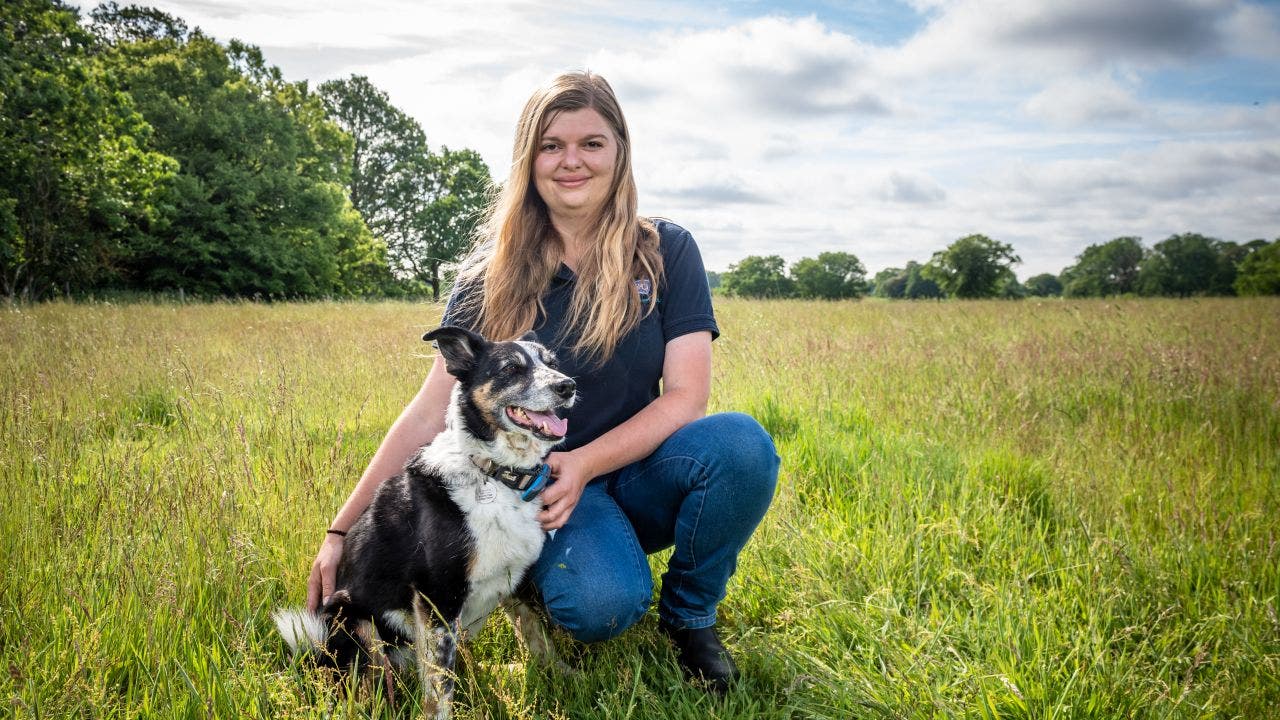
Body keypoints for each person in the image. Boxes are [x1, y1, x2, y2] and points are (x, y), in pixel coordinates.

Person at [306, 70, 779, 694]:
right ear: (528, 161)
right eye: (551, 145)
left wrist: (582, 463)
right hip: (530, 490)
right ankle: (538, 574)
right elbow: (429, 413)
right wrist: (341, 528)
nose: (571, 161)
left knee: (741, 447)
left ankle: (690, 619)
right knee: (602, 605)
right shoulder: (489, 275)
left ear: (620, 151)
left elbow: (689, 398)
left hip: (633, 471)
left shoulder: (665, 250)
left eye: (591, 143)